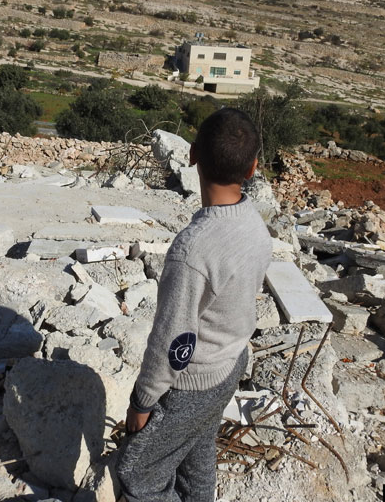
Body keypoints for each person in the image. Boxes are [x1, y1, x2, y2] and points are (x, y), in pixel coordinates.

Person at [116, 108, 273, 502]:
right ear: (253, 168)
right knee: (197, 454)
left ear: (192, 156)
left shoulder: (192, 250)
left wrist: (143, 401)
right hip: (231, 363)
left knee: (138, 474)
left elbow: (173, 339)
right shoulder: (254, 223)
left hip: (192, 383)